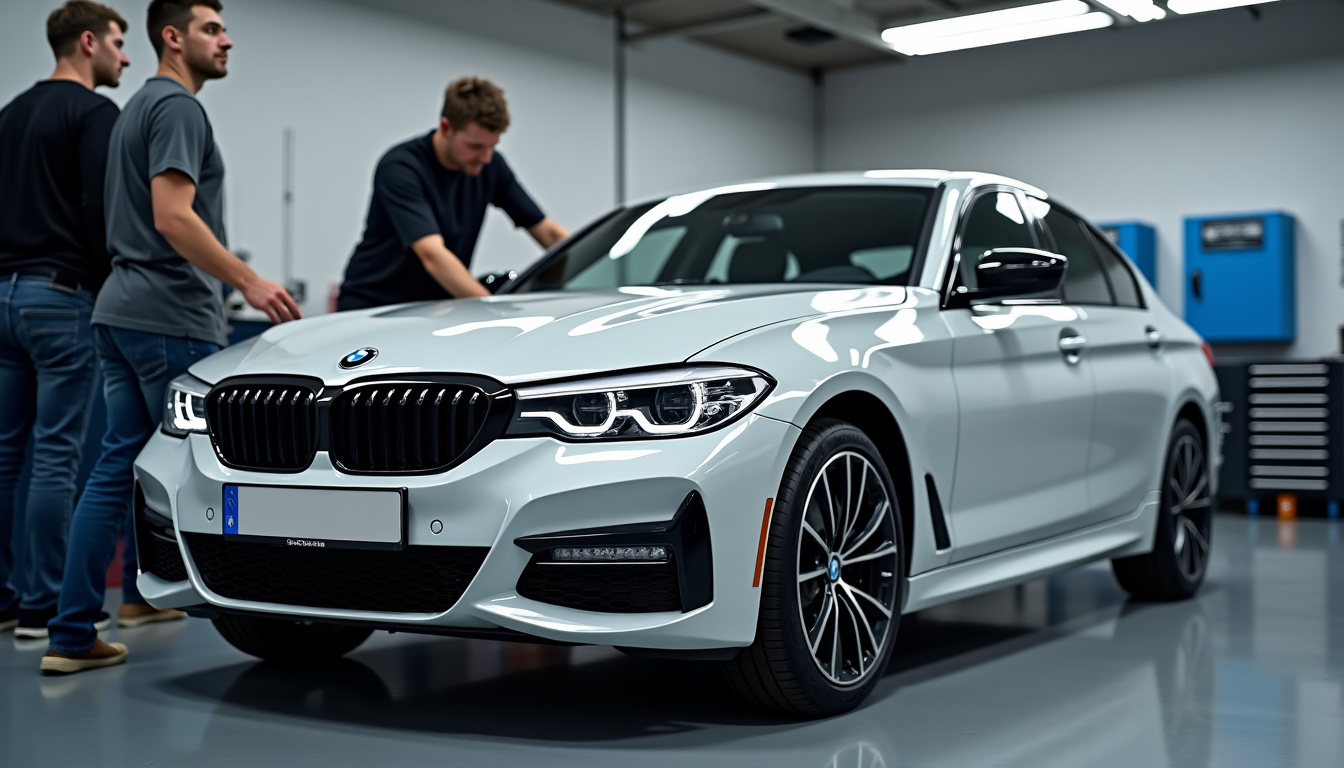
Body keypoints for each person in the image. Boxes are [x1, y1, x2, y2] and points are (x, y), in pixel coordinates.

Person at [42, 0, 299, 675]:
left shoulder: (133, 110)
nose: (227, 41)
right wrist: (248, 280)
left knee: (111, 469)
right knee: (224, 469)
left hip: (119, 310)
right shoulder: (179, 109)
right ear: (173, 36)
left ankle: (73, 631)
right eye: (213, 29)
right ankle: (278, 613)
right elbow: (172, 217)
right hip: (168, 316)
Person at [0, 1, 131, 639]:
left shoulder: (10, 114)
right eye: (117, 42)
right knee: (56, 457)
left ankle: (2, 600)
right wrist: (112, 292)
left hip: (1, 298)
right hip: (60, 298)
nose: (124, 57)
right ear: (87, 42)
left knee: (4, 457)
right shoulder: (93, 113)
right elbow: (98, 213)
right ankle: (42, 607)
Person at [336, 76, 569, 310]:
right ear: (446, 128)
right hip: (372, 307)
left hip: (433, 309)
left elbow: (548, 233)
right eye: (476, 146)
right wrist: (492, 311)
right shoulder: (401, 167)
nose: (485, 157)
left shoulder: (491, 167)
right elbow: (432, 255)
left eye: (492, 146)